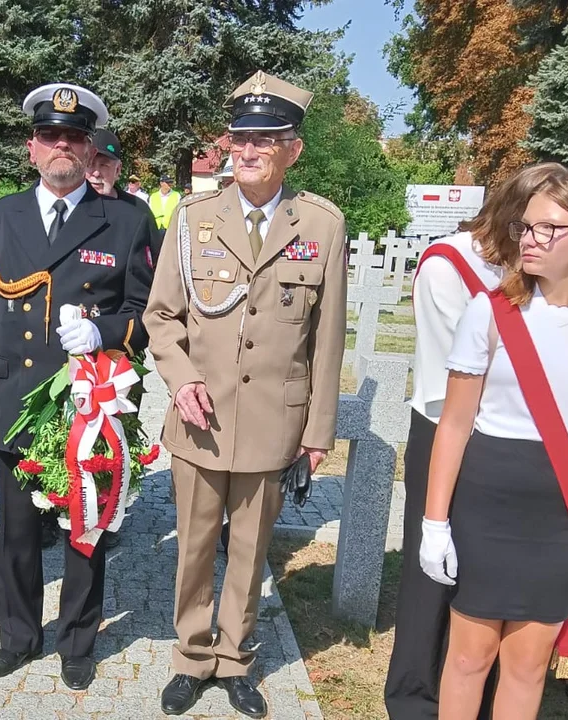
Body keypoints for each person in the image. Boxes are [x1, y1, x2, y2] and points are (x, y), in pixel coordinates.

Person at [144, 70, 347, 718]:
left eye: (267, 138)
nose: (249, 149)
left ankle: (236, 660)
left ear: (294, 148)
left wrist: (317, 434)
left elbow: (327, 339)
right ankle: (191, 656)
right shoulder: (196, 219)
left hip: (271, 427)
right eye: (240, 138)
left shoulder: (321, 224)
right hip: (200, 424)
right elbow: (161, 318)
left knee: (250, 553)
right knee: (195, 551)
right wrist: (182, 385)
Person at [0, 82, 155, 690]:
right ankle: (17, 636)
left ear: (91, 150)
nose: (62, 146)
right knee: (15, 532)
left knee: (85, 528)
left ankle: (77, 639)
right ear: (31, 148)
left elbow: (154, 312)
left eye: (74, 137)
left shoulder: (126, 219)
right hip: (17, 401)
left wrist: (105, 330)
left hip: (90, 400)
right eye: (50, 136)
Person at [384, 163, 559, 720]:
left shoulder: (537, 272)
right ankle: (415, 694)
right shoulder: (449, 264)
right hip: (446, 424)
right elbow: (455, 376)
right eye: (531, 225)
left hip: (516, 441)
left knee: (488, 576)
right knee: (432, 574)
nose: (537, 238)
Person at [420, 167, 568, 719]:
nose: (530, 240)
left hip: (564, 509)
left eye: (549, 229)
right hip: (488, 501)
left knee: (529, 663)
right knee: (469, 657)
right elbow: (455, 424)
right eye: (526, 227)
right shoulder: (491, 312)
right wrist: (434, 524)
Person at [86, 129, 162, 266]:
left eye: (104, 165)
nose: (96, 173)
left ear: (118, 170)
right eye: (89, 164)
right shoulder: (69, 206)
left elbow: (156, 261)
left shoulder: (138, 209)